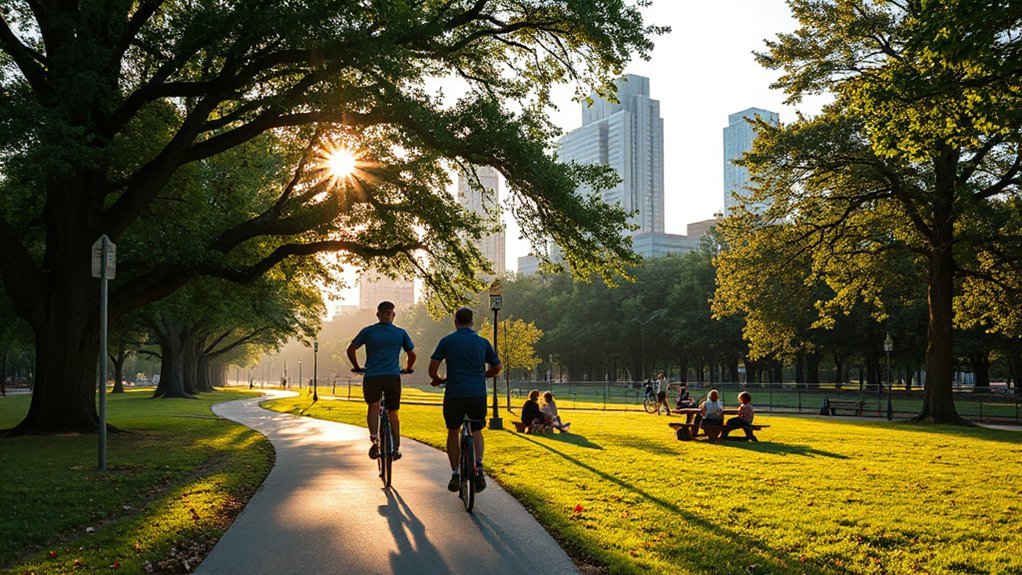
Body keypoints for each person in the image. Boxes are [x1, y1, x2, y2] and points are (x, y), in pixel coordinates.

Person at [429, 307, 502, 493]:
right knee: (477, 430)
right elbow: (498, 367)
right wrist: (484, 375)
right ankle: (479, 465)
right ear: (472, 322)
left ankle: (455, 473)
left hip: (455, 393)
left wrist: (437, 379)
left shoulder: (447, 341)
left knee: (453, 431)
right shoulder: (482, 342)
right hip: (477, 393)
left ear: (455, 322)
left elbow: (432, 367)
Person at [346, 301, 416, 461]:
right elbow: (412, 354)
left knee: (374, 406)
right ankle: (396, 447)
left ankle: (374, 439)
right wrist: (407, 368)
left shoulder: (368, 331)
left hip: (372, 376)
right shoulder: (400, 333)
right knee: (393, 412)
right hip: (392, 376)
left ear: (378, 314)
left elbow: (351, 349)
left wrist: (357, 366)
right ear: (393, 315)